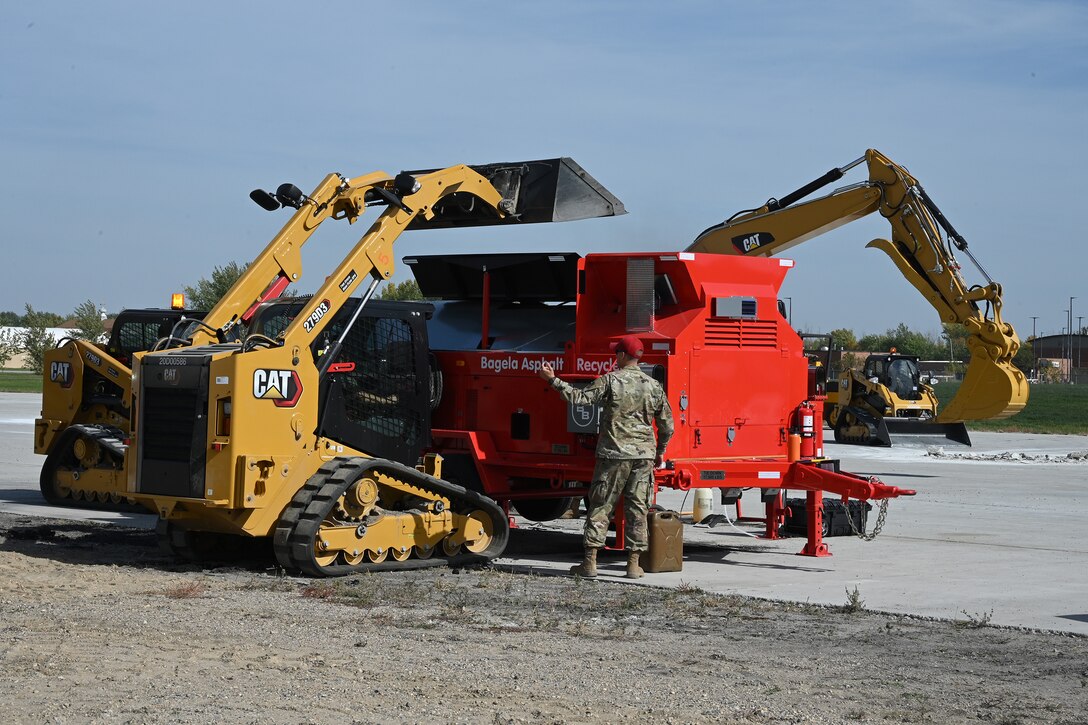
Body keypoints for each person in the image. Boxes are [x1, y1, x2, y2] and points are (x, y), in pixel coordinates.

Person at [537, 334, 674, 579]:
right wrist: (660, 451)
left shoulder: (611, 381)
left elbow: (579, 398)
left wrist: (553, 380)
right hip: (643, 457)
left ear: (622, 356)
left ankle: (590, 563)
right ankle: (633, 565)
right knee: (637, 509)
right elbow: (668, 426)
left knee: (601, 507)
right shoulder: (653, 386)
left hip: (613, 455)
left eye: (616, 353)